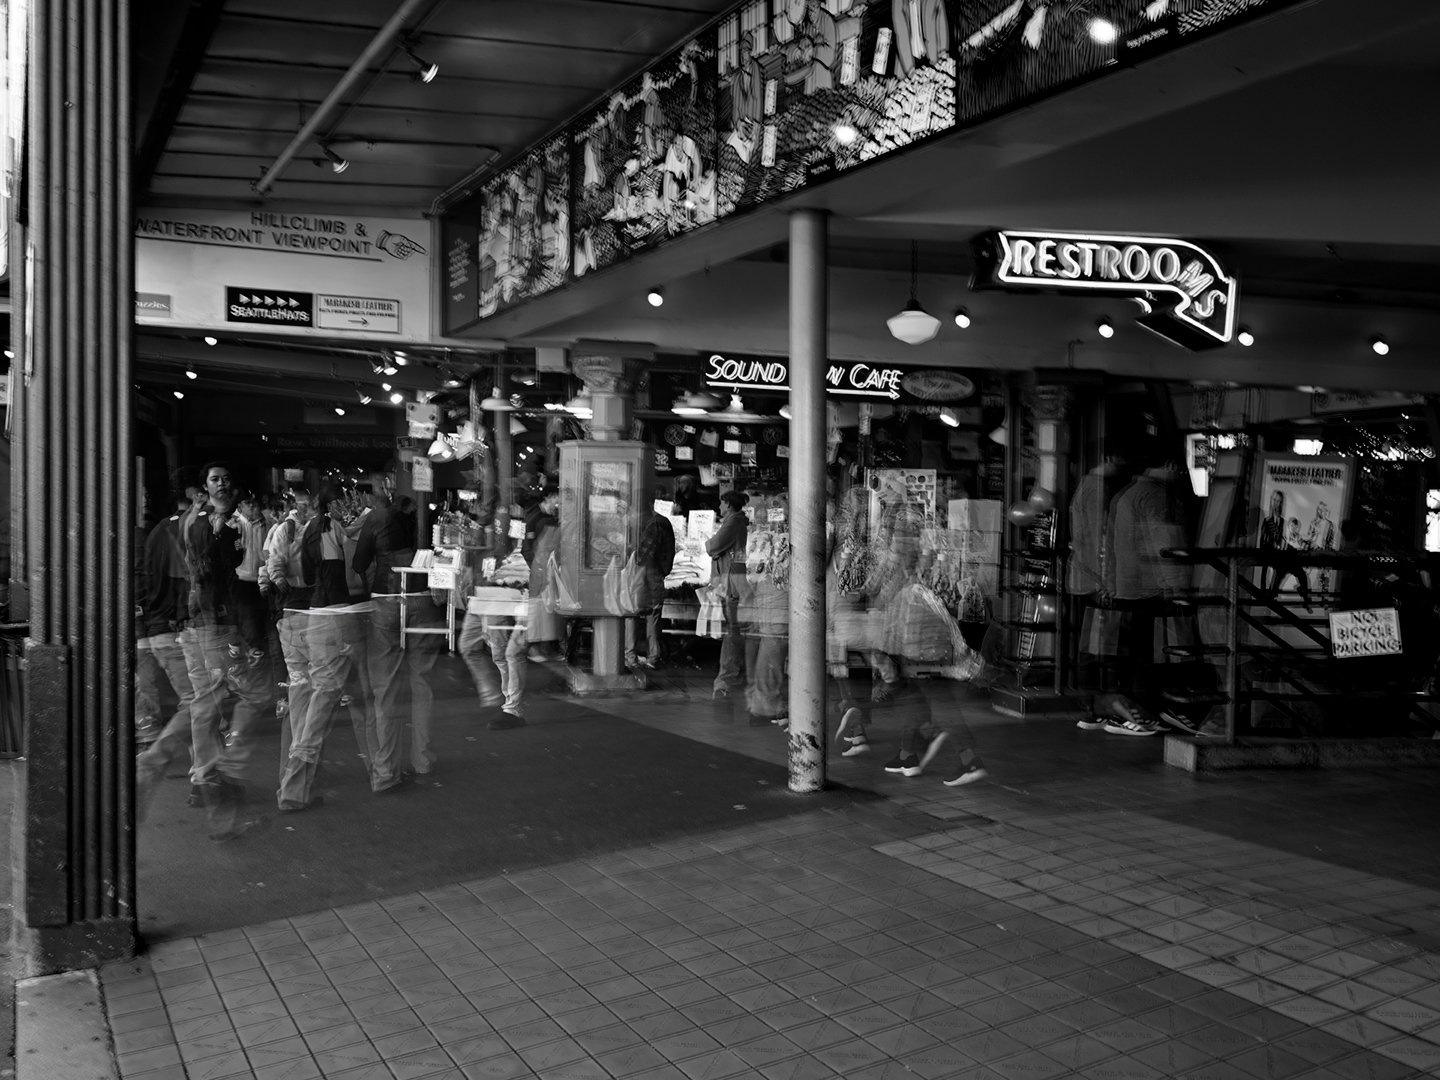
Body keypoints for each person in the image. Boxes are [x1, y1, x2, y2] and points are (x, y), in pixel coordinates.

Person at [178, 461, 272, 840]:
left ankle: (205, 777)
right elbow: (217, 574)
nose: (221, 484)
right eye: (215, 478)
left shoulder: (229, 521)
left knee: (206, 704)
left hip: (207, 622)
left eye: (226, 478)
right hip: (212, 624)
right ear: (204, 486)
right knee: (246, 696)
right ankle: (220, 777)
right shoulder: (204, 523)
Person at [1103, 443, 1194, 736]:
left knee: (1130, 659)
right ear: (1170, 465)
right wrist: (1178, 590)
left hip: (1123, 588)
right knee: (1151, 660)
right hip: (1150, 591)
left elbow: (1110, 545)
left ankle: (1128, 716)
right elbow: (1166, 547)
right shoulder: (1157, 496)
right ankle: (1140, 717)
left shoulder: (1123, 494)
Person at [353, 476, 438, 786]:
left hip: (387, 599)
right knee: (421, 683)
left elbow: (359, 563)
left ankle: (387, 769)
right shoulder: (422, 515)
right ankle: (422, 760)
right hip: (422, 599)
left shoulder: (377, 517)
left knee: (385, 687)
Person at [134, 488, 200, 820]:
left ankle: (207, 778)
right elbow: (183, 583)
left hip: (154, 629)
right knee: (197, 702)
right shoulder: (176, 531)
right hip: (172, 629)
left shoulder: (154, 533)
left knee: (198, 702)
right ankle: (155, 759)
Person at [707, 490, 750, 703]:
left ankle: (726, 679)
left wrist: (712, 547)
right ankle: (734, 675)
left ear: (729, 505)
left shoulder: (733, 522)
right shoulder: (735, 521)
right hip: (732, 581)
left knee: (733, 632)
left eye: (721, 504)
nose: (719, 507)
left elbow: (712, 546)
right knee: (735, 631)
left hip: (732, 583)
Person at [626, 508, 675, 669]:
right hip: (656, 575)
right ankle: (652, 657)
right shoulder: (663, 522)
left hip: (645, 575)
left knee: (632, 612)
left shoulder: (653, 525)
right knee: (653, 615)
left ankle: (631, 656)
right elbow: (669, 553)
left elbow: (641, 556)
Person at [523, 485, 565, 663]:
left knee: (549, 608)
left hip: (549, 570)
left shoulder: (552, 518)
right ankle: (534, 648)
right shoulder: (537, 519)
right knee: (539, 609)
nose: (559, 502)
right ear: (549, 497)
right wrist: (537, 567)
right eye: (557, 497)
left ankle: (548, 648)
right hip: (540, 570)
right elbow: (527, 549)